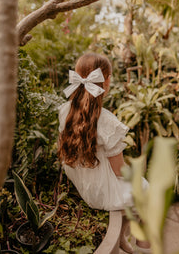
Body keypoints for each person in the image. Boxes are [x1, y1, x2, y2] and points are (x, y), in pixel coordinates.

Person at [58, 52, 150, 253]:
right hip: (102, 191)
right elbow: (119, 171)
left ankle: (123, 240)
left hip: (82, 183)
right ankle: (145, 248)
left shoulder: (65, 110)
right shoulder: (106, 121)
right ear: (106, 82)